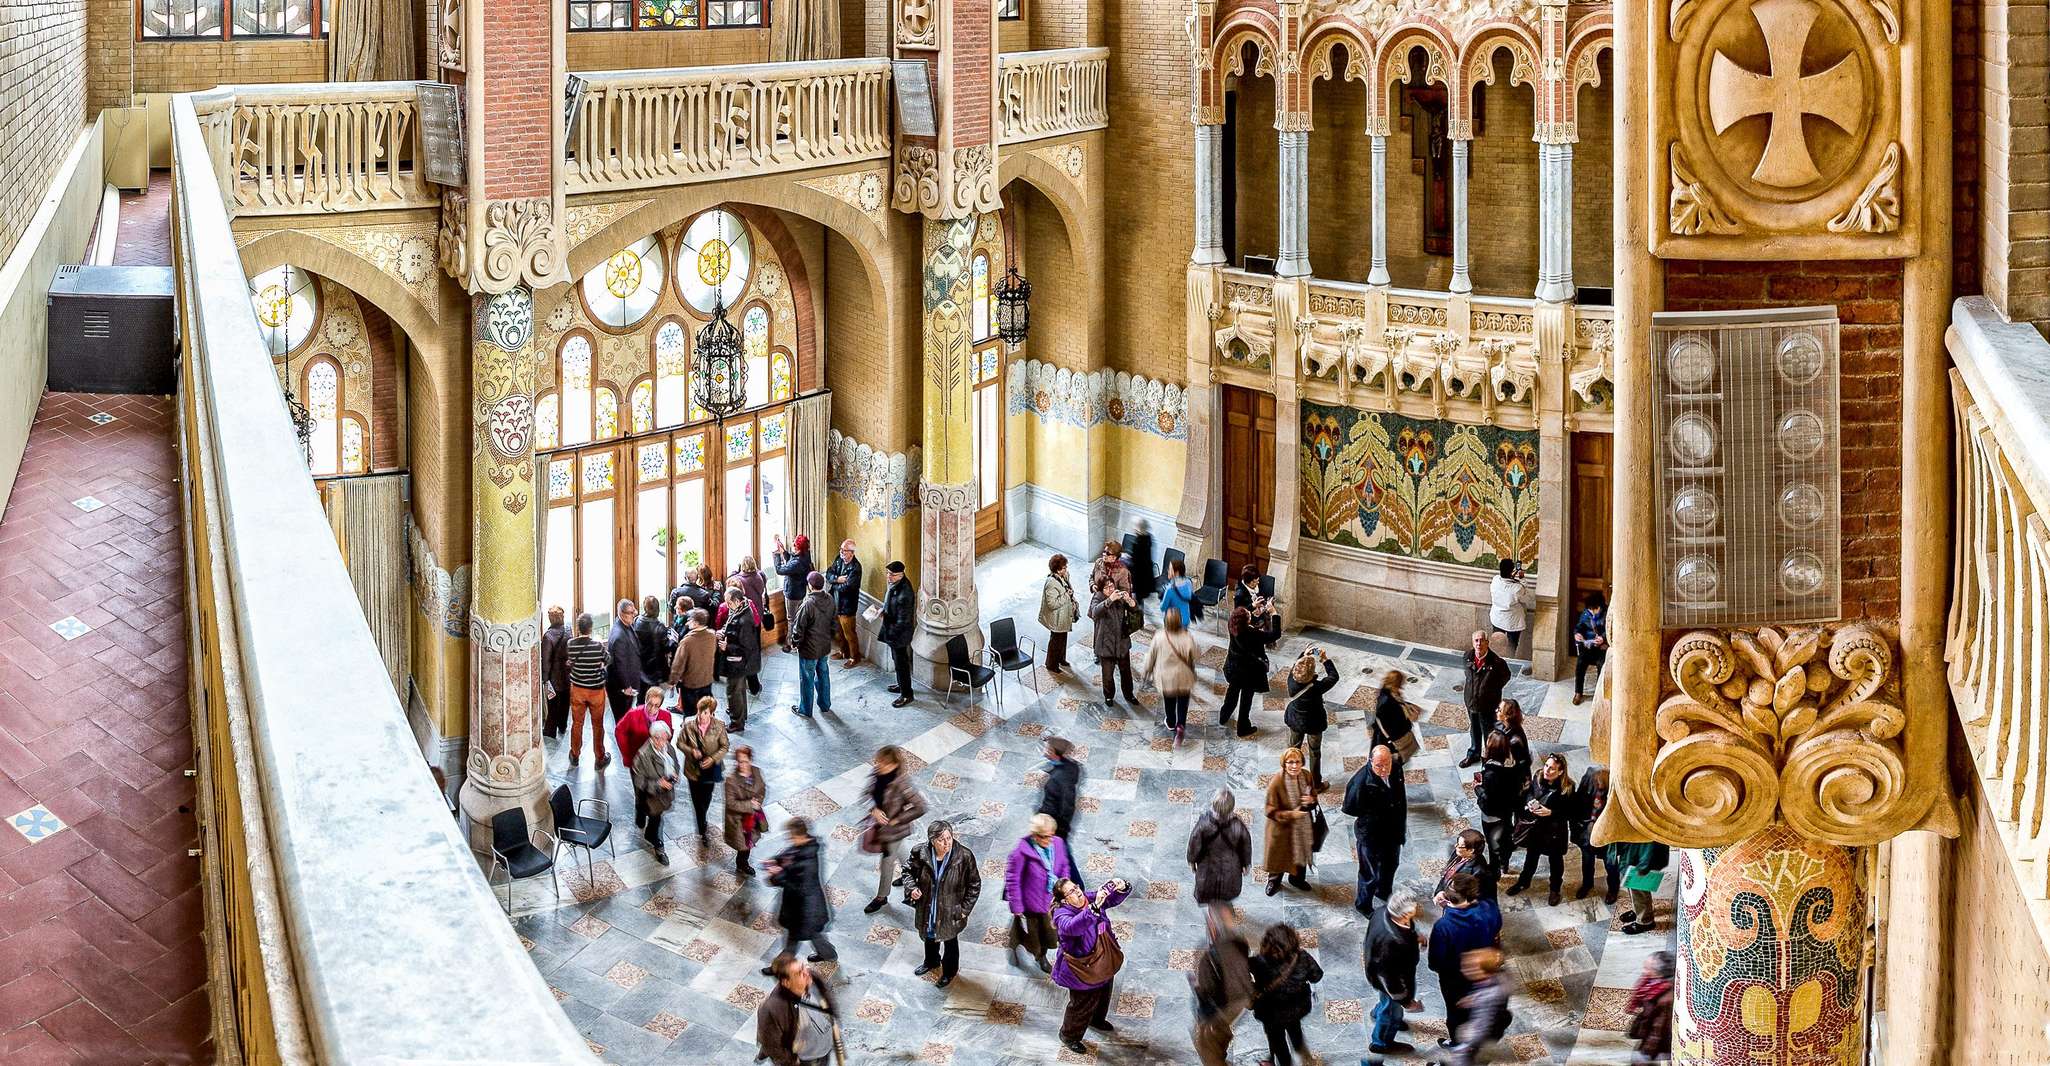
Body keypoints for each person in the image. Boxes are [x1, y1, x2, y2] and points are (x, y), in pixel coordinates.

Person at [1052, 876, 1131, 1055]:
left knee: (1104, 993)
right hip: (1082, 969)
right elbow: (1074, 926)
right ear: (1065, 900)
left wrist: (1121, 886)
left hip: (1103, 958)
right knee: (1082, 1004)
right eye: (1072, 891)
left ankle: (1096, 1019)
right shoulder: (1061, 915)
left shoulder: (1087, 899)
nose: (1078, 891)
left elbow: (1107, 898)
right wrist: (1093, 908)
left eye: (1076, 887)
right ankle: (1069, 1035)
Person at [1426, 874, 1502, 1051]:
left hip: (1454, 980)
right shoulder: (1489, 909)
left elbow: (1436, 962)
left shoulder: (1443, 926)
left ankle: (1457, 1044)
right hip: (1484, 973)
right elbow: (1496, 928)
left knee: (1455, 1015)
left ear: (1448, 896)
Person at [904, 820, 981, 988]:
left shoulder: (964, 856)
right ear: (932, 841)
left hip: (951, 909)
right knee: (929, 936)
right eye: (941, 840)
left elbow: (974, 884)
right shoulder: (920, 852)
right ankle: (931, 962)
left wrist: (964, 910)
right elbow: (907, 871)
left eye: (949, 838)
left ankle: (949, 972)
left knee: (950, 941)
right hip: (928, 906)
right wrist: (912, 888)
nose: (947, 843)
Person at [1004, 813, 1076, 973]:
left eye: (1051, 835)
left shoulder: (1057, 843)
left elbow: (1064, 865)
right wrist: (1016, 906)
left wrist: (1064, 886)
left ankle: (1040, 954)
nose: (1049, 840)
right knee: (1033, 936)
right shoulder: (1020, 853)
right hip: (1031, 905)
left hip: (1051, 902)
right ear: (1034, 835)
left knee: (1049, 935)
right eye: (1044, 837)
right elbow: (1012, 880)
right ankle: (1030, 952)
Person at [861, 746, 929, 914]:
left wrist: (898, 819)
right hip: (880, 827)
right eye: (878, 761)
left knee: (887, 863)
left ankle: (882, 897)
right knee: (902, 853)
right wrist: (874, 810)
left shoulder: (902, 783)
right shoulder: (877, 774)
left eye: (883, 763)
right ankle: (915, 874)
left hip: (894, 831)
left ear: (894, 764)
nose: (878, 765)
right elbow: (866, 794)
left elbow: (921, 806)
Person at [764, 818, 838, 969]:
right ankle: (829, 955)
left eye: (791, 836)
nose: (790, 839)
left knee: (795, 940)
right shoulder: (804, 848)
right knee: (813, 937)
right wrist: (776, 862)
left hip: (805, 910)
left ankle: (779, 968)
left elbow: (795, 884)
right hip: (805, 909)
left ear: (800, 836)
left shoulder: (807, 862)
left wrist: (777, 874)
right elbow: (787, 857)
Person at [1342, 744, 1407, 913]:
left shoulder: (1397, 769)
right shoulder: (1360, 782)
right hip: (1370, 835)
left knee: (1391, 864)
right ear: (1370, 762)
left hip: (1392, 830)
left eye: (1387, 764)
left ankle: (1384, 891)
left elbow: (1401, 799)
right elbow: (1350, 808)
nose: (1384, 769)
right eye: (1379, 765)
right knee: (1369, 873)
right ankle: (1363, 904)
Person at [1249, 923, 1323, 1066]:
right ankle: (1305, 1058)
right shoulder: (1302, 957)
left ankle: (1285, 1063)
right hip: (1296, 1009)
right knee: (1295, 1031)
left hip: (1270, 1013)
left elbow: (1242, 972)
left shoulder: (1259, 962)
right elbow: (1316, 976)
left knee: (1277, 1041)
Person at [1508, 752, 1576, 905]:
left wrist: (1551, 812)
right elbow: (1529, 793)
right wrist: (1530, 804)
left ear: (1560, 772)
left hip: (1555, 832)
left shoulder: (1567, 788)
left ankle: (1555, 890)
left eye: (1552, 769)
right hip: (1536, 829)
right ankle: (1523, 882)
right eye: (1546, 766)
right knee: (1531, 858)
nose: (1547, 770)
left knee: (1556, 862)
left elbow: (1571, 812)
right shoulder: (1538, 777)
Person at [1190, 904, 1253, 1066]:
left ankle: (1218, 1054)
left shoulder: (1222, 951)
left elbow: (1209, 987)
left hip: (1218, 1007)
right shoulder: (1238, 942)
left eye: (1213, 919)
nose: (1210, 922)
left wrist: (1198, 985)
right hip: (1229, 1004)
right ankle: (1220, 1048)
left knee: (1210, 1044)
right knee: (1217, 1034)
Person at [1364, 890, 1423, 1060]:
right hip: (1390, 981)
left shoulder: (1382, 911)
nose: (1417, 911)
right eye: (1413, 910)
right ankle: (1381, 1043)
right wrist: (1405, 1001)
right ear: (1405, 915)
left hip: (1377, 971)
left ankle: (1377, 1013)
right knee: (1392, 1010)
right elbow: (1391, 979)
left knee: (1386, 1002)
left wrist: (1414, 937)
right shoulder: (1393, 942)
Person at [754, 953, 838, 1066]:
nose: (806, 973)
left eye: (803, 967)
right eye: (799, 973)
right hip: (806, 1059)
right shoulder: (772, 1009)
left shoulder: (812, 978)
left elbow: (827, 999)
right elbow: (773, 1046)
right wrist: (792, 1063)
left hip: (824, 1048)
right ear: (786, 982)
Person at [613, 685, 674, 833]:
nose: (653, 709)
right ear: (645, 701)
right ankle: (640, 813)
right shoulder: (633, 714)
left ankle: (653, 816)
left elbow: (669, 735)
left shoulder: (666, 716)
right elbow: (619, 731)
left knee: (655, 790)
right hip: (638, 762)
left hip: (657, 762)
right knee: (640, 790)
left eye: (656, 705)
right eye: (650, 704)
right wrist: (627, 755)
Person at [1262, 747, 1318, 895]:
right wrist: (1292, 815)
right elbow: (1269, 810)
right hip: (1281, 829)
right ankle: (1274, 880)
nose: (1294, 766)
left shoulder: (1306, 776)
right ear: (1284, 764)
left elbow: (1313, 795)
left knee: (1300, 855)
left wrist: (1311, 800)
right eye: (1290, 762)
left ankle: (1297, 879)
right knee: (1279, 857)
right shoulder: (1277, 781)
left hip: (1302, 827)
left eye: (1297, 762)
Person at [1187, 788, 1251, 914]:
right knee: (1226, 895)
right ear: (1232, 807)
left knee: (1210, 896)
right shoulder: (1238, 826)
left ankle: (1214, 916)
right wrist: (1245, 863)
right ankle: (1225, 912)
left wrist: (1191, 861)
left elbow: (1194, 843)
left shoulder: (1204, 824)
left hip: (1207, 871)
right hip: (1231, 870)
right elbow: (1246, 845)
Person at [675, 696, 729, 845]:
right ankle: (702, 828)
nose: (701, 716)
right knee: (696, 801)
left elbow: (724, 746)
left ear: (712, 713)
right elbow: (679, 743)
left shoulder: (719, 726)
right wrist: (691, 751)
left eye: (705, 713)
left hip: (711, 769)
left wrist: (712, 759)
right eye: (700, 712)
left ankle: (702, 818)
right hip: (693, 769)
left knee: (706, 798)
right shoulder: (689, 725)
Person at [1221, 606, 1282, 737]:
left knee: (1231, 694)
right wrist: (1274, 613)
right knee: (1246, 700)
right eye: (1249, 614)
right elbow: (1275, 635)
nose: (1250, 613)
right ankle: (1243, 727)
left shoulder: (1233, 625)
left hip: (1234, 668)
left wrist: (1253, 609)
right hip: (1249, 673)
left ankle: (1223, 716)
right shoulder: (1253, 634)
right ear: (1247, 621)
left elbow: (1243, 619)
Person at [1282, 647, 1338, 787]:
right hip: (1314, 723)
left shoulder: (1291, 680)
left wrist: (1303, 654)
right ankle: (1316, 784)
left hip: (1295, 719)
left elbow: (1296, 666)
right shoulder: (1317, 687)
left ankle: (1290, 777)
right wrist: (1324, 659)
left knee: (1293, 748)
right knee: (1314, 752)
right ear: (1312, 673)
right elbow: (1333, 676)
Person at [1447, 948, 1514, 1066]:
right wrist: (1474, 998)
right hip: (1496, 1025)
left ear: (1484, 972)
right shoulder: (1499, 977)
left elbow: (1480, 1027)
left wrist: (1463, 1046)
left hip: (1480, 1039)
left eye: (1469, 968)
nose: (1463, 969)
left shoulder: (1488, 997)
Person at [1142, 607, 1199, 741]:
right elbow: (1196, 654)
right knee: (1183, 704)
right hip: (1184, 676)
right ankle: (1181, 725)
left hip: (1167, 679)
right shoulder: (1187, 636)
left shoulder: (1159, 636)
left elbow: (1151, 657)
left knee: (1169, 702)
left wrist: (1146, 671)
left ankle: (1171, 722)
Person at [630, 719, 681, 864]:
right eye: (660, 739)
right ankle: (658, 845)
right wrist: (658, 784)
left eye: (666, 739)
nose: (663, 743)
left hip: (665, 793)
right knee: (656, 819)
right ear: (653, 738)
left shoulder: (668, 748)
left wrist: (675, 775)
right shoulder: (643, 755)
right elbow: (639, 781)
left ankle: (649, 832)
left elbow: (676, 764)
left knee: (657, 817)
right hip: (651, 796)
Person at [1474, 731, 1525, 873]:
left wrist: (1477, 789)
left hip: (1492, 817)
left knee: (1493, 846)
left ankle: (1495, 871)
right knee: (1505, 840)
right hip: (1506, 814)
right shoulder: (1512, 768)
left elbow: (1488, 801)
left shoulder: (1491, 774)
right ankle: (1505, 864)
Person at [1458, 631, 1511, 768]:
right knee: (1474, 729)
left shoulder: (1497, 662)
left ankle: (1490, 758)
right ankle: (1473, 753)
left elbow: (1505, 677)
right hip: (1471, 703)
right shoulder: (1467, 657)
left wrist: (1491, 691)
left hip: (1488, 706)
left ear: (1487, 643)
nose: (1478, 643)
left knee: (1489, 732)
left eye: (1481, 640)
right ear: (1472, 642)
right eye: (1476, 640)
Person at [565, 611, 611, 768]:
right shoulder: (597, 646)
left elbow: (571, 661)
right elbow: (608, 659)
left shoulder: (571, 644)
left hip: (577, 689)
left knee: (577, 723)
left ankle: (575, 754)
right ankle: (599, 757)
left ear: (578, 628)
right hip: (596, 690)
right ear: (591, 628)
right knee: (597, 725)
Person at [1038, 737, 1085, 887]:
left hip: (1055, 827)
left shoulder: (1059, 779)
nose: (1046, 753)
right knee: (1060, 854)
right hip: (1054, 826)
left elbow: (1065, 807)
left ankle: (1077, 887)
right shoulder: (1070, 768)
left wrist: (1054, 828)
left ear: (1056, 754)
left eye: (1049, 750)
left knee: (1063, 855)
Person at [1088, 570, 1138, 705]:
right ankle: (1109, 696)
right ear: (1101, 589)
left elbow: (1135, 610)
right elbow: (1094, 612)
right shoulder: (1098, 597)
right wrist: (1109, 600)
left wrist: (1129, 600)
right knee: (1108, 674)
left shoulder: (1119, 596)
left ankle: (1129, 694)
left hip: (1122, 641)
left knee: (1126, 671)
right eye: (1107, 587)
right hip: (1106, 643)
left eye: (1112, 586)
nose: (1110, 589)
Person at [789, 572, 836, 718]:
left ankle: (805, 709)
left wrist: (795, 643)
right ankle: (825, 704)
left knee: (807, 679)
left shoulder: (807, 604)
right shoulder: (830, 599)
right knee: (823, 675)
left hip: (809, 649)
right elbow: (834, 623)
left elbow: (798, 629)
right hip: (824, 646)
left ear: (810, 586)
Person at [718, 588, 761, 732]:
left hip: (738, 661)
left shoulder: (745, 619)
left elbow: (746, 647)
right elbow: (732, 627)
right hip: (737, 661)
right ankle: (741, 716)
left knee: (734, 691)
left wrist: (727, 646)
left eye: (729, 602)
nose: (727, 605)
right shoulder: (739, 610)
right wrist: (723, 632)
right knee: (739, 689)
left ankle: (736, 722)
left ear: (737, 601)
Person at [1609, 839, 1671, 935]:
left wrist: (1644, 864)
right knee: (1632, 885)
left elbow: (1649, 842)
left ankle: (1645, 921)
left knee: (1639, 888)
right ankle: (1638, 911)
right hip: (1634, 851)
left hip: (1643, 855)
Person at [1574, 764, 1616, 902]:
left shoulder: (1614, 790)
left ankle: (1612, 890)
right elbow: (1579, 802)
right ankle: (1587, 884)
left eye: (1601, 782)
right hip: (1588, 831)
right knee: (1587, 861)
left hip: (1607, 834)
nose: (1598, 784)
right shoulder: (1590, 777)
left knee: (1610, 864)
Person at [724, 743, 767, 877]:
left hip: (752, 817)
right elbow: (731, 803)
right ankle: (741, 864)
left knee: (749, 843)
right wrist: (750, 805)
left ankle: (744, 861)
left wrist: (757, 802)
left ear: (750, 760)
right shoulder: (731, 780)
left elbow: (762, 789)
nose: (742, 764)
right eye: (739, 761)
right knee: (743, 845)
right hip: (738, 820)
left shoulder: (756, 771)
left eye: (745, 761)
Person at [1627, 951, 1676, 1065]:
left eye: (1647, 968)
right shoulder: (1650, 984)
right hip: (1648, 1032)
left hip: (1658, 1045)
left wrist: (1646, 1053)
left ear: (1658, 974)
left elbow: (1658, 1030)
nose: (1643, 971)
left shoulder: (1665, 1000)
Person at [879, 561, 917, 707]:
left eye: (892, 575)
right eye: (887, 573)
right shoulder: (896, 585)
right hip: (893, 630)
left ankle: (907, 694)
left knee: (902, 664)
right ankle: (901, 685)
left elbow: (903, 621)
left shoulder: (905, 593)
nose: (888, 577)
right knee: (897, 661)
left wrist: (891, 631)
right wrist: (884, 611)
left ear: (900, 575)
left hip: (899, 634)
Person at [733, 557, 771, 695]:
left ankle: (750, 679)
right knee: (756, 640)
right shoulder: (760, 576)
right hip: (757, 614)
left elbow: (731, 581)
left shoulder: (741, 580)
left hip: (746, 618)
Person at [669, 608, 717, 714]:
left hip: (691, 683)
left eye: (689, 620)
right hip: (706, 680)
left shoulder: (687, 641)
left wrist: (673, 681)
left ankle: (691, 730)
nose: (687, 622)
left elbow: (678, 664)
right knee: (705, 711)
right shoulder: (712, 635)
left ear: (695, 623)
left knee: (690, 713)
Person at [825, 539, 864, 667]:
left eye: (844, 550)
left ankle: (854, 657)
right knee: (838, 631)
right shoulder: (839, 559)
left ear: (852, 553)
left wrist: (834, 583)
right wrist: (837, 579)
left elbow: (846, 588)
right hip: (835, 603)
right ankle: (843, 652)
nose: (841, 552)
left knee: (849, 634)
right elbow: (829, 573)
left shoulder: (856, 568)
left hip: (847, 606)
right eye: (840, 549)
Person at [772, 533, 814, 650]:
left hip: (793, 594)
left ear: (799, 548)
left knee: (791, 619)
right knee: (798, 618)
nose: (793, 547)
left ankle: (791, 643)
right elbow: (791, 558)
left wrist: (776, 555)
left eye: (795, 546)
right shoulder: (805, 555)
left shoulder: (797, 563)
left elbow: (780, 570)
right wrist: (784, 552)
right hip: (800, 591)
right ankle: (798, 640)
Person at [605, 599, 643, 726]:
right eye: (631, 612)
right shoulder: (619, 635)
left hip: (629, 683)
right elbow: (620, 664)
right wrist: (626, 686)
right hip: (621, 687)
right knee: (622, 721)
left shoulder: (627, 625)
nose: (634, 615)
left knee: (627, 716)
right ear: (621, 613)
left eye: (634, 612)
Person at [1040, 554, 1079, 675]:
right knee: (1056, 641)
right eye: (1064, 568)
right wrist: (1067, 595)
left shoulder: (1063, 576)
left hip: (1063, 616)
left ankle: (1061, 659)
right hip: (1056, 618)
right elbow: (1052, 604)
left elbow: (1066, 585)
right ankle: (1051, 664)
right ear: (1057, 569)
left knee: (1062, 639)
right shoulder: (1051, 583)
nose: (1066, 569)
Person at [1436, 828, 1498, 904]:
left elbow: (1466, 899)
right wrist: (1439, 892)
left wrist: (1445, 897)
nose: (1456, 846)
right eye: (1457, 843)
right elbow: (1446, 876)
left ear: (1471, 850)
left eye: (1460, 845)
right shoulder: (1459, 853)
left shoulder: (1478, 873)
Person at [1572, 591, 1609, 706]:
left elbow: (1611, 630)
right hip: (1588, 647)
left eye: (1595, 609)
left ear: (1600, 607)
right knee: (1580, 665)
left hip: (1601, 648)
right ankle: (1578, 692)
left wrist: (1603, 638)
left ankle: (1598, 695)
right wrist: (1577, 634)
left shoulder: (1608, 614)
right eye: (1590, 609)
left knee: (1601, 666)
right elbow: (1579, 627)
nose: (1592, 612)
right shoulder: (1586, 614)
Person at [1489, 559, 1531, 656]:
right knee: (1511, 648)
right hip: (1513, 623)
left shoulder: (1495, 580)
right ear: (1512, 571)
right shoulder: (1517, 588)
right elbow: (1526, 598)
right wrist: (1522, 579)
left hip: (1497, 619)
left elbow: (1504, 583)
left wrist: (1511, 577)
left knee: (1496, 646)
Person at [1371, 669, 1418, 757]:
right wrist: (1408, 722)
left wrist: (1409, 706)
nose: (1403, 685)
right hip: (1397, 738)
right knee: (1396, 758)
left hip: (1397, 734)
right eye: (1401, 683)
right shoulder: (1386, 701)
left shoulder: (1389, 691)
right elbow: (1388, 722)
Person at [541, 606, 570, 738]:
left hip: (553, 677)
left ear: (550, 619)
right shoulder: (568, 630)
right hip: (567, 674)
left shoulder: (548, 636)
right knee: (565, 703)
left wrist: (545, 679)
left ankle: (550, 731)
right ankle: (563, 726)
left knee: (552, 705)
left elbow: (546, 660)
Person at [634, 594, 670, 689]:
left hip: (640, 662)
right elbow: (666, 647)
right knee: (654, 693)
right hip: (654, 665)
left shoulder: (636, 620)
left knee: (641, 693)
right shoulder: (659, 626)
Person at [1493, 699, 1535, 777]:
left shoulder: (1515, 741)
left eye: (1499, 710)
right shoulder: (1500, 726)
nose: (1496, 711)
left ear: (1506, 716)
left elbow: (1519, 765)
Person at [1159, 556, 1197, 624]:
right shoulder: (1188, 582)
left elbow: (1162, 608)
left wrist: (1162, 598)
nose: (1168, 571)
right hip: (1185, 620)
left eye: (1170, 569)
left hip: (1173, 623)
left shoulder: (1169, 589)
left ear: (1176, 572)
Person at [1127, 520, 1157, 602]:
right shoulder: (1148, 538)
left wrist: (1128, 558)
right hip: (1146, 572)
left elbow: (1136, 560)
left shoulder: (1138, 542)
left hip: (1139, 574)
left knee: (1138, 595)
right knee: (1141, 595)